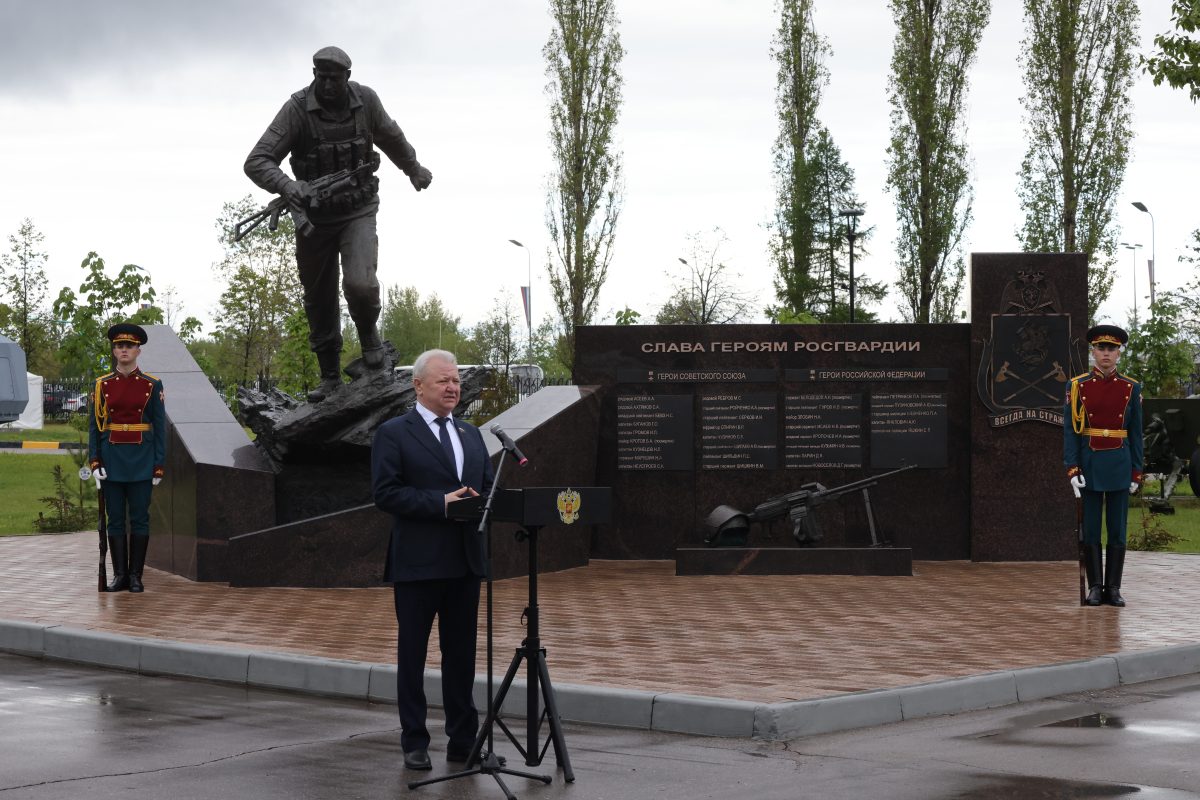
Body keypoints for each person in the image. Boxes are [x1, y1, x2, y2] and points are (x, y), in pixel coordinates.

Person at [244, 45, 433, 403]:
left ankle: (370, 343)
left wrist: (413, 168)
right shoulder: (297, 110)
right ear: (314, 75)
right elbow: (256, 160)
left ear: (347, 76)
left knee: (361, 284)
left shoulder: (366, 102)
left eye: (335, 77)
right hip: (314, 217)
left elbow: (392, 137)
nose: (328, 84)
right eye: (321, 76)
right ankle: (330, 377)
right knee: (319, 297)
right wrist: (287, 185)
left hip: (358, 210)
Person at [370, 349, 494, 771]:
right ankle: (415, 740)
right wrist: (439, 502)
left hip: (464, 563)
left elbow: (488, 490)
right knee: (414, 654)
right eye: (443, 381)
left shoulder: (472, 434)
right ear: (418, 385)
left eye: (456, 380)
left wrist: (485, 503)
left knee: (461, 657)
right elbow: (385, 493)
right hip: (419, 562)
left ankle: (464, 740)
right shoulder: (394, 433)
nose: (453, 388)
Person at [1064, 324, 1143, 607]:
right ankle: (1096, 587)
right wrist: (1072, 469)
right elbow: (1071, 432)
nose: (1106, 354)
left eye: (1112, 349)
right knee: (1093, 527)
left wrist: (1137, 470)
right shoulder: (1077, 386)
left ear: (1119, 353)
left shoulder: (1131, 387)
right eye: (1101, 348)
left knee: (1118, 529)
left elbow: (1136, 433)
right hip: (1091, 465)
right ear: (1093, 351)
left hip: (1120, 464)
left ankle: (1114, 588)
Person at [86, 323, 167, 593]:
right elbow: (95, 428)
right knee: (116, 519)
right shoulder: (101, 385)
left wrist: (158, 465)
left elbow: (160, 427)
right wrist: (95, 462)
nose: (123, 349)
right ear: (114, 349)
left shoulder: (152, 385)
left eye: (129, 346)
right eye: (119, 345)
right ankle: (120, 575)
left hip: (142, 460)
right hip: (112, 460)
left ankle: (136, 576)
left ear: (138, 351)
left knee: (140, 518)